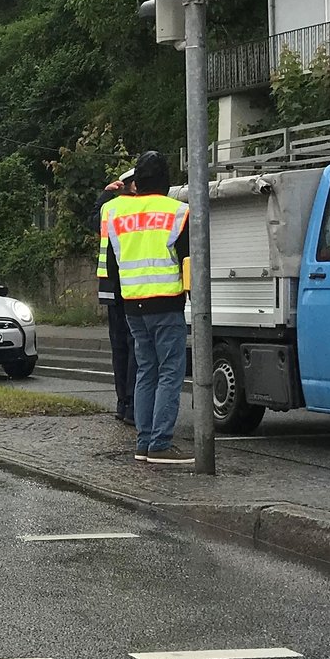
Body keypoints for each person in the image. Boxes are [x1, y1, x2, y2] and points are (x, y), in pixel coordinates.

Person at [99, 150, 192, 465]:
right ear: (165, 182)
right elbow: (189, 262)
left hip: (132, 306)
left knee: (145, 371)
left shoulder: (114, 213)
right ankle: (161, 444)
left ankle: (143, 441)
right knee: (170, 372)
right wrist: (192, 298)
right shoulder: (177, 211)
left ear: (136, 181)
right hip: (166, 304)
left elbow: (112, 264)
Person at [93, 168, 138, 425]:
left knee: (119, 346)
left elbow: (92, 220)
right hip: (133, 285)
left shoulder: (109, 208)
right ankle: (132, 404)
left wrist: (104, 194)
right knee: (135, 347)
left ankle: (123, 403)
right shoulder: (139, 208)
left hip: (111, 286)